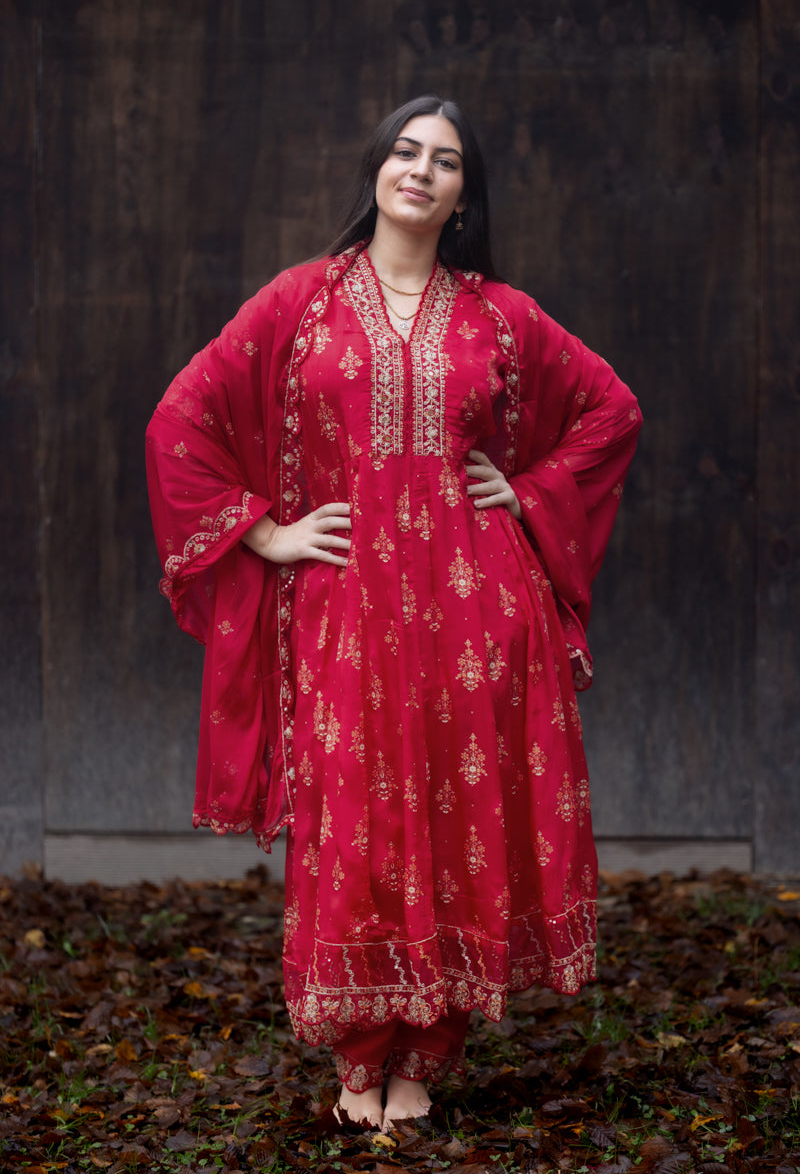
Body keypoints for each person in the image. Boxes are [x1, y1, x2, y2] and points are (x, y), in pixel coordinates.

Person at [146, 95, 642, 1131]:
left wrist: (527, 489)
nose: (420, 170)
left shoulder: (499, 315)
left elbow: (609, 409)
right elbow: (180, 419)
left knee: (461, 817)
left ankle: (426, 1048)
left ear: (463, 196)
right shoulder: (299, 303)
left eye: (445, 160)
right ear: (375, 169)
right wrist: (265, 533)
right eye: (405, 150)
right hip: (344, 606)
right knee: (355, 821)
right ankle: (358, 1053)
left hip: (475, 609)